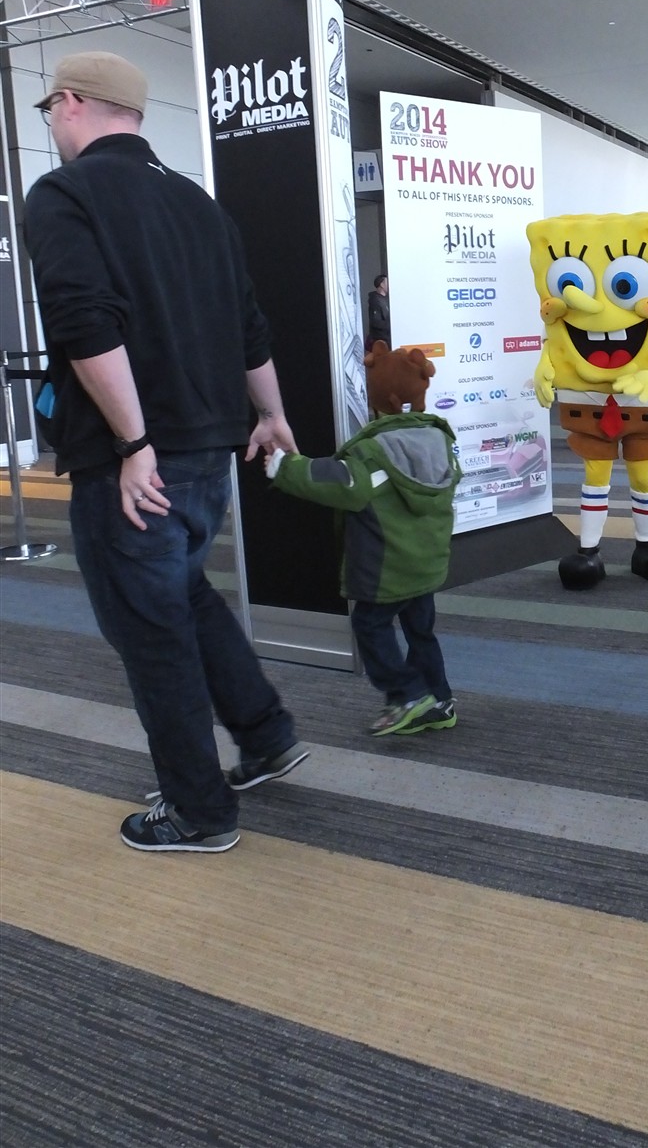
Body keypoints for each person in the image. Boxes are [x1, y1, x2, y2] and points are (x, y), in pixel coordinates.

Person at [23, 51, 308, 854]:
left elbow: (86, 322)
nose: (51, 124)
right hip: (211, 447)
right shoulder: (197, 203)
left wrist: (133, 442)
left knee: (150, 629)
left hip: (134, 462)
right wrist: (273, 413)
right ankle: (266, 734)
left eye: (50, 110)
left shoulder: (64, 194)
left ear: (71, 102)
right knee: (184, 594)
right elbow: (249, 326)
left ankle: (198, 810)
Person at [265, 341, 461, 736]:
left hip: (388, 567)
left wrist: (285, 467)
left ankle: (408, 695)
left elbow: (341, 483)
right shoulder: (439, 441)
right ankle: (439, 701)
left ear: (380, 399)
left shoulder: (374, 452)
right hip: (425, 562)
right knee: (420, 630)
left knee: (370, 625)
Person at [366, 273, 391, 348]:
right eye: (387, 282)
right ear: (382, 285)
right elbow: (375, 322)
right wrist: (391, 325)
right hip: (381, 342)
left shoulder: (386, 300)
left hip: (387, 340)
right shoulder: (375, 301)